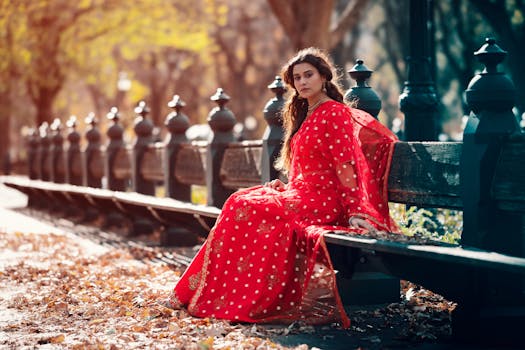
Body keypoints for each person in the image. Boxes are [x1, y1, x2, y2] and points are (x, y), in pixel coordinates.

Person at [163, 47, 399, 328]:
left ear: (324, 76)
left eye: (308, 75)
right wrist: (286, 187)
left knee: (250, 208)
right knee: (239, 201)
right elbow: (307, 166)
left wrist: (354, 210)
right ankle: (207, 293)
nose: (302, 82)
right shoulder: (305, 115)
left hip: (324, 201)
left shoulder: (334, 113)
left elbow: (344, 166)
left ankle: (246, 299)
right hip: (301, 194)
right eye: (297, 77)